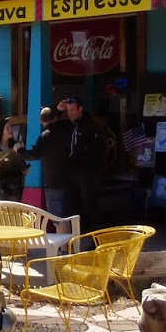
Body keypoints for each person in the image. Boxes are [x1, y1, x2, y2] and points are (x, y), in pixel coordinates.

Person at [62, 97, 109, 233]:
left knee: (91, 204)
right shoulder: (70, 125)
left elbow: (99, 151)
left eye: (72, 110)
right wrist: (58, 109)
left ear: (80, 109)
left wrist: (99, 172)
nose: (70, 113)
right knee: (73, 205)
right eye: (68, 110)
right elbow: (51, 121)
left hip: (87, 171)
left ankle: (97, 235)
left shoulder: (90, 126)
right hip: (72, 172)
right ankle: (79, 234)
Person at [24, 104, 72, 217]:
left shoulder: (45, 136)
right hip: (68, 180)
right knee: (68, 217)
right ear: (55, 118)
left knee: (58, 219)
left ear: (41, 120)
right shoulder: (66, 131)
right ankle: (70, 235)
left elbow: (34, 155)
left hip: (53, 183)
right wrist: (58, 112)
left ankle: (63, 235)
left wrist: (19, 150)